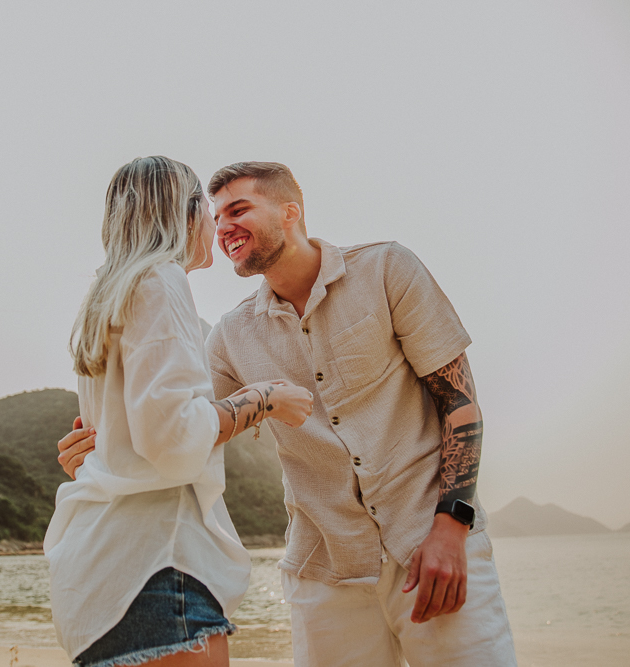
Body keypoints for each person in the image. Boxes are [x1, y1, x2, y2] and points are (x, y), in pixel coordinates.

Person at [61, 161, 517, 666]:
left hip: (431, 550)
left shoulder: (387, 270)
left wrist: (452, 529)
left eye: (238, 209)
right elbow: (174, 425)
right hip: (325, 574)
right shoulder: (228, 336)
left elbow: (460, 404)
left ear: (290, 212)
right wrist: (103, 445)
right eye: (215, 213)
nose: (222, 226)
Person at [45, 156, 313, 667]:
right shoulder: (160, 282)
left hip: (103, 572)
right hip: (156, 568)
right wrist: (265, 399)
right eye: (208, 211)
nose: (217, 226)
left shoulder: (107, 298)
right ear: (185, 215)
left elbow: (123, 438)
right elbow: (171, 438)